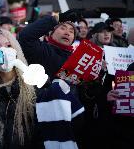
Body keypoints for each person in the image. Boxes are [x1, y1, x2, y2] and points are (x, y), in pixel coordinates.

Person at [18, 11, 86, 148]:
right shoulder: (41, 50)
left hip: (70, 121)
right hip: (41, 120)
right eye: (62, 28)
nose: (67, 32)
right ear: (49, 34)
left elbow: (84, 94)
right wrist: (57, 18)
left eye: (71, 31)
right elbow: (25, 37)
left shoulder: (78, 61)